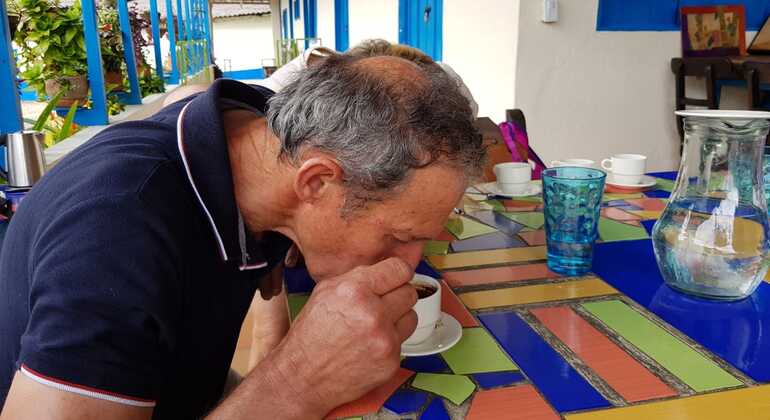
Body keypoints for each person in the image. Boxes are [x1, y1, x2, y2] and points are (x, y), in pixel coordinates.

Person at [0, 47, 484, 418]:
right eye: (398, 235)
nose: (407, 262)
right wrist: (298, 383)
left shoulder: (262, 136)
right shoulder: (114, 232)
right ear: (316, 182)